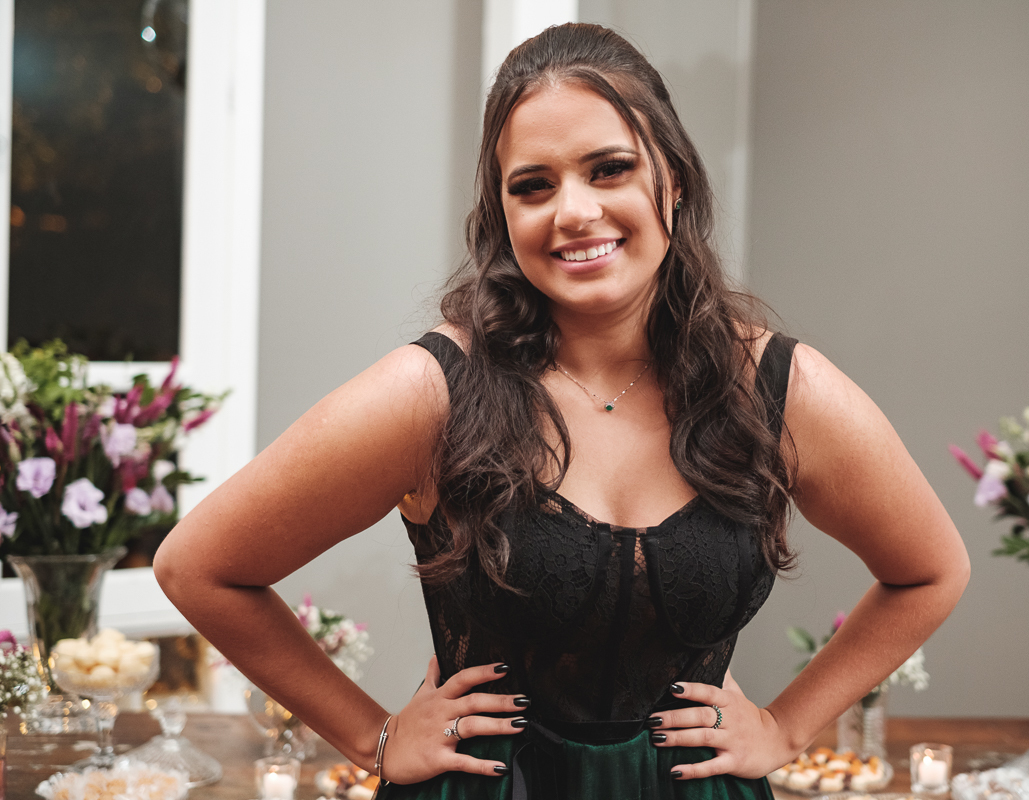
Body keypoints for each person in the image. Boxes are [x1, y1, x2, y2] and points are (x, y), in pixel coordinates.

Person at [154, 22, 970, 800]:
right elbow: (199, 567)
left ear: (673, 180)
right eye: (533, 186)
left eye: (608, 169)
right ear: (503, 214)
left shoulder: (778, 390)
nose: (573, 211)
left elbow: (931, 571)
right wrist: (373, 736)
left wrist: (786, 728)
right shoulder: (432, 394)